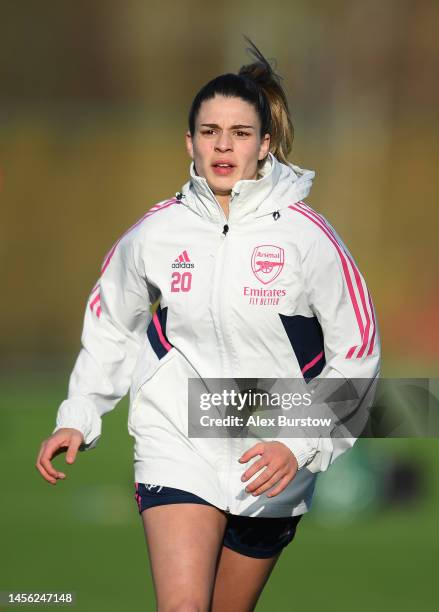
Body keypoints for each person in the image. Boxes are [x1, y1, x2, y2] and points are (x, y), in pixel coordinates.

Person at [36, 39, 380, 612]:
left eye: (241, 133)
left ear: (265, 144)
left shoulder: (308, 237)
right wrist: (79, 415)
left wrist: (299, 444)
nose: (224, 145)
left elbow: (359, 355)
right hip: (177, 434)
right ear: (189, 141)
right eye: (210, 131)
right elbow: (111, 324)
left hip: (275, 449)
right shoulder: (155, 234)